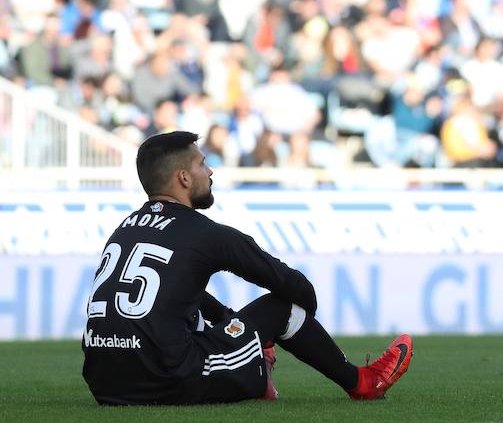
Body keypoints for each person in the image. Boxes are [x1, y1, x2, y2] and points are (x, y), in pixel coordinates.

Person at [82, 131, 412, 405]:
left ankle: (256, 358)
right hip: (170, 382)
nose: (210, 172)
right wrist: (297, 316)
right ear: (183, 177)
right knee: (282, 307)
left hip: (106, 386)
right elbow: (293, 285)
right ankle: (365, 382)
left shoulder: (125, 228)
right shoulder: (205, 233)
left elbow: (173, 293)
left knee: (186, 312)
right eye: (202, 164)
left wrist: (228, 318)